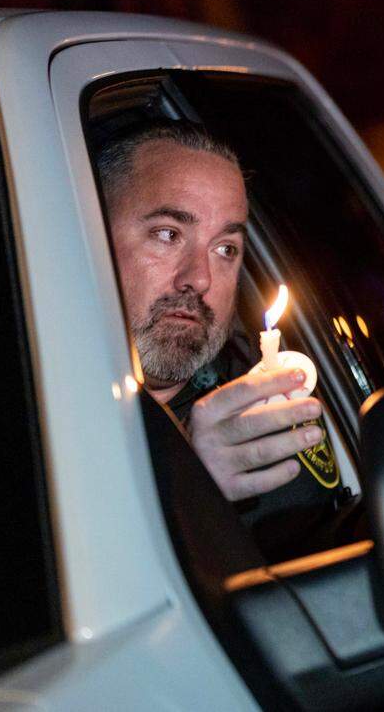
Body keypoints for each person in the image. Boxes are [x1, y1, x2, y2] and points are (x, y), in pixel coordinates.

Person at [97, 121, 344, 559]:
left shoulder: (264, 421)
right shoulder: (22, 394)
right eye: (168, 234)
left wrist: (200, 501)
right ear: (87, 233)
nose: (200, 278)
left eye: (225, 249)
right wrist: (179, 482)